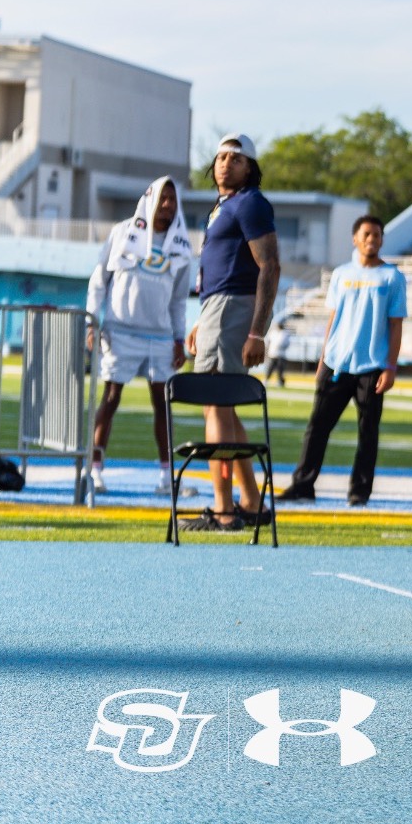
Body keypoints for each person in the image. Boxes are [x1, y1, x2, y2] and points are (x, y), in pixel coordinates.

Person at [183, 134, 280, 533]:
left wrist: (257, 332)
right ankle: (252, 502)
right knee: (221, 408)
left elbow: (270, 266)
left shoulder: (250, 202)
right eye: (221, 157)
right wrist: (202, 319)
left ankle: (223, 510)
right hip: (216, 309)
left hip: (232, 308)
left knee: (215, 403)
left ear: (250, 168)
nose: (226, 163)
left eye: (236, 159)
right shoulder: (224, 206)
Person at [278, 215, 406, 507]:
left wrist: (390, 366)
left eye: (377, 235)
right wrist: (323, 358)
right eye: (366, 234)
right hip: (337, 364)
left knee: (367, 431)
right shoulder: (341, 274)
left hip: (371, 366)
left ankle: (359, 492)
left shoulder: (392, 277)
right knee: (317, 427)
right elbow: (333, 318)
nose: (372, 239)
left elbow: (396, 324)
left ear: (382, 240)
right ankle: (303, 485)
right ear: (355, 239)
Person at [87, 178, 193, 497]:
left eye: (173, 200)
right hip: (120, 331)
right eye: (163, 199)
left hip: (160, 338)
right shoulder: (122, 232)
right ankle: (95, 471)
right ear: (150, 200)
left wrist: (178, 338)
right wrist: (93, 322)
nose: (168, 205)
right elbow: (99, 280)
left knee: (163, 405)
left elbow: (178, 301)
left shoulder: (182, 246)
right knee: (110, 398)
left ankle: (165, 477)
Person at [262, 317, 289, 387]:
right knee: (269, 368)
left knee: (280, 370)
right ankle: (266, 380)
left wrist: (279, 345)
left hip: (281, 355)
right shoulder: (273, 333)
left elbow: (285, 343)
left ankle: (280, 382)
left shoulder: (285, 334)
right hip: (272, 354)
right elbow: (268, 342)